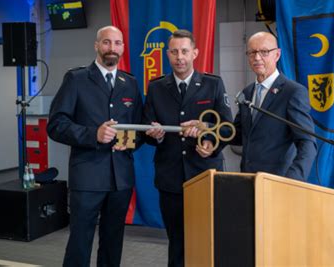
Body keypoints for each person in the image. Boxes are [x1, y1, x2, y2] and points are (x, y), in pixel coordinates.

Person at [47, 26, 143, 267]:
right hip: (87, 176)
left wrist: (132, 140)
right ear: (96, 46)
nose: (112, 48)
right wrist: (93, 134)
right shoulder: (76, 79)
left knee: (113, 240)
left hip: (120, 178)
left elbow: (138, 128)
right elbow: (56, 125)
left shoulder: (129, 82)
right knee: (80, 240)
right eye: (107, 42)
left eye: (117, 43)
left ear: (123, 47)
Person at [142, 29, 232, 267]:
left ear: (195, 53)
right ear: (168, 55)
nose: (179, 57)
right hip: (170, 179)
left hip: (204, 175)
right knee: (177, 241)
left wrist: (209, 139)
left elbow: (227, 128)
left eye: (184, 51)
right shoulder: (156, 87)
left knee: (208, 239)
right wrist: (157, 136)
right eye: (174, 52)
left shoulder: (213, 84)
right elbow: (148, 133)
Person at [232, 31, 317, 181]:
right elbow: (238, 134)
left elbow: (307, 143)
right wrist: (207, 130)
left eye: (264, 52)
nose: (257, 58)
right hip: (247, 180)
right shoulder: (247, 92)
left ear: (277, 55)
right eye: (252, 53)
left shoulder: (292, 92)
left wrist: (293, 179)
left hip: (278, 183)